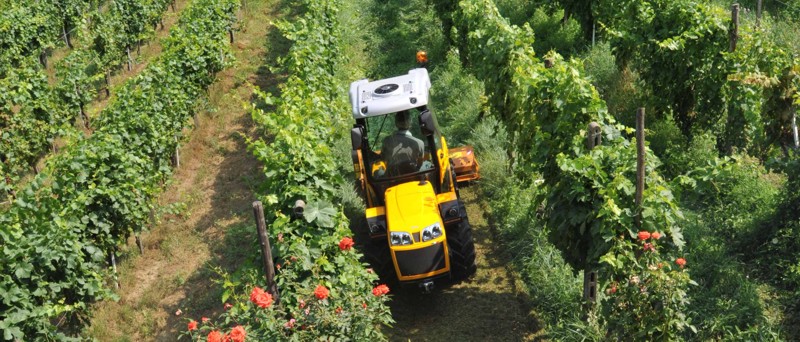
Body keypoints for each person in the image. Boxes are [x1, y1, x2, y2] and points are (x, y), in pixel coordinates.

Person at [380, 110, 424, 176]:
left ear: (396, 123)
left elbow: (383, 158)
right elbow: (420, 164)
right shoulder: (420, 143)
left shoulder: (387, 140)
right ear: (410, 122)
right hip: (413, 178)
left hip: (391, 179)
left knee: (378, 172)